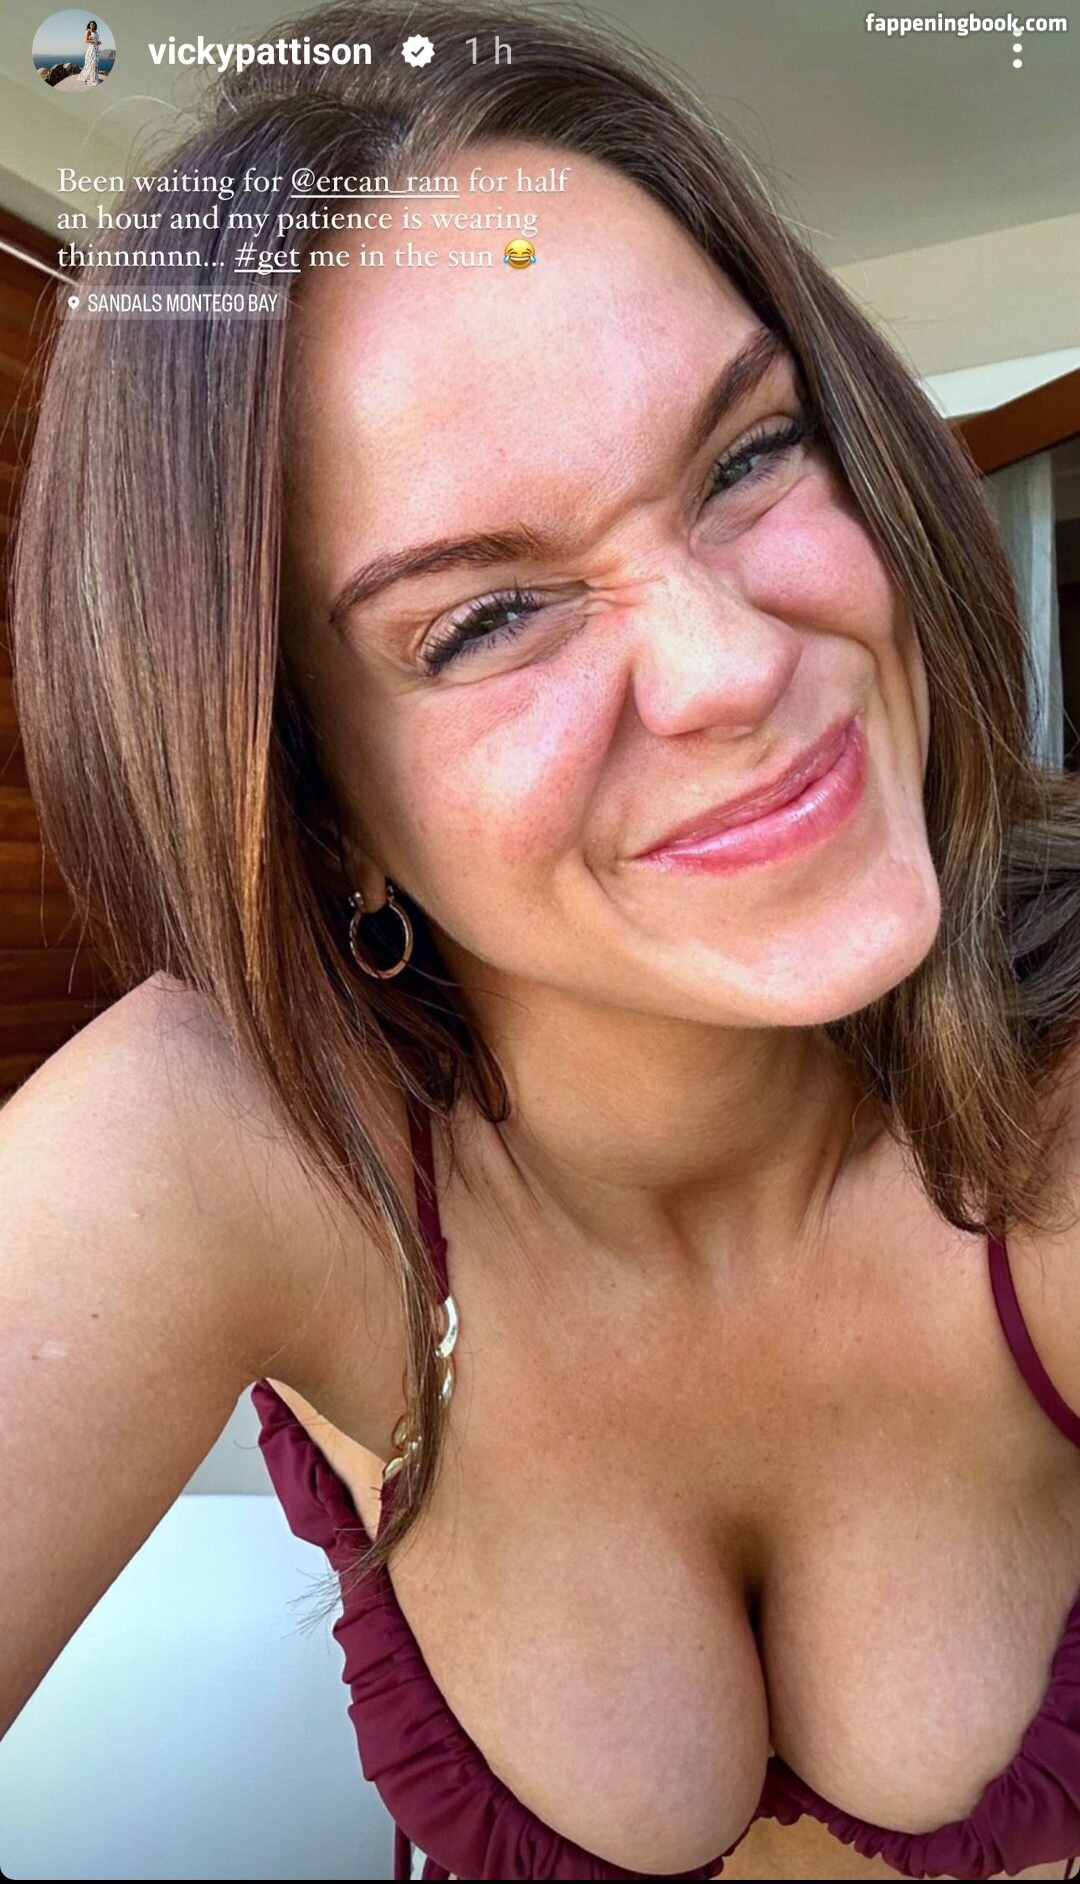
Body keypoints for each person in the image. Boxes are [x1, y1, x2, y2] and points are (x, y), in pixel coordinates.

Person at [5, 3, 1080, 1879]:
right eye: (487, 617)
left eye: (749, 455)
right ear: (310, 799)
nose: (732, 664)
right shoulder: (226, 1140)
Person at [79, 20, 102, 87]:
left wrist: (98, 42)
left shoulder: (95, 32)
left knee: (95, 63)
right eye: (91, 24)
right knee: (92, 63)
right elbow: (86, 40)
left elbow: (95, 40)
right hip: (92, 49)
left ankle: (94, 78)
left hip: (96, 49)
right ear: (89, 25)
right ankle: (92, 79)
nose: (92, 25)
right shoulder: (88, 31)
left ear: (95, 25)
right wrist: (94, 41)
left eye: (93, 24)